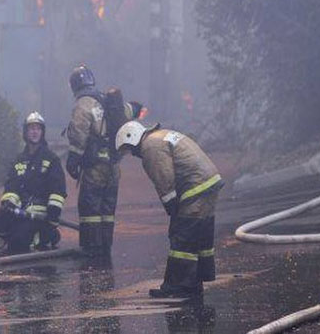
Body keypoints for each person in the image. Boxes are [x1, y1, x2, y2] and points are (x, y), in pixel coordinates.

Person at [115, 120, 223, 299]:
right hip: (208, 182)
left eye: (130, 149)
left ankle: (177, 285)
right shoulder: (161, 136)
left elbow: (164, 178)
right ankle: (195, 281)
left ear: (132, 139)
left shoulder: (150, 147)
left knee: (182, 236)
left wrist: (171, 206)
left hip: (195, 187)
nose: (133, 154)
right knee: (199, 233)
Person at [65, 65, 127, 256]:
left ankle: (91, 248)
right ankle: (105, 246)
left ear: (74, 85)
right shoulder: (106, 100)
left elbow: (79, 133)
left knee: (90, 208)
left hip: (95, 168)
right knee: (107, 210)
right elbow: (126, 114)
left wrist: (73, 161)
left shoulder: (84, 104)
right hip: (114, 167)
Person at [0, 111, 67, 253]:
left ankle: (47, 236)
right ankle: (15, 237)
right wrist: (8, 203)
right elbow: (11, 186)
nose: (34, 132)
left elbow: (58, 189)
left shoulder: (51, 159)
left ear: (42, 132)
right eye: (31, 128)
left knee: (19, 241)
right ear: (26, 132)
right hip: (21, 212)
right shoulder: (19, 159)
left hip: (41, 216)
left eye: (38, 128)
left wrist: (53, 214)